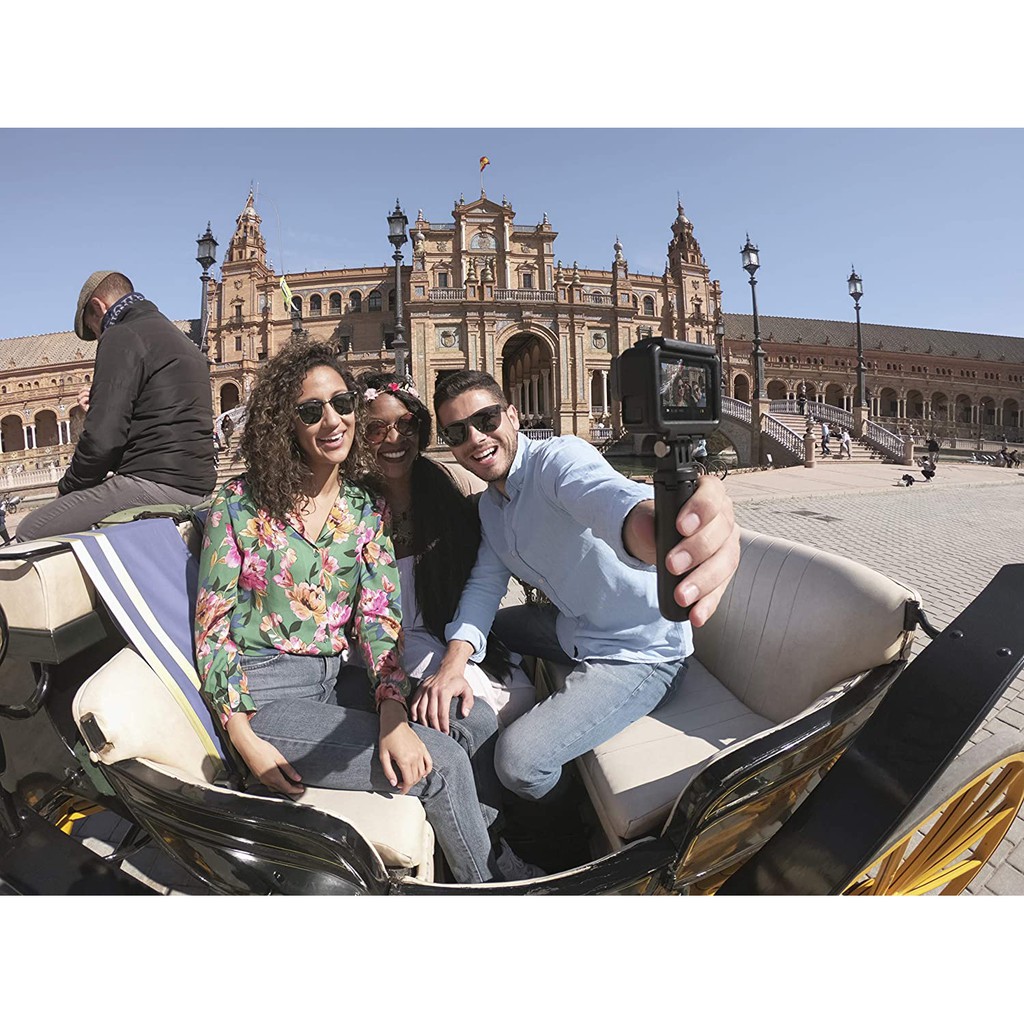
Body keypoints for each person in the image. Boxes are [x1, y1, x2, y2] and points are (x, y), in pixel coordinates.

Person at [193, 341, 525, 884]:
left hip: (338, 681)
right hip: (268, 697)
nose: (333, 421)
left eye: (342, 404)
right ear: (285, 424)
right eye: (310, 410)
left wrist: (392, 710)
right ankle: (490, 889)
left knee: (475, 720)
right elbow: (213, 631)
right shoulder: (238, 504)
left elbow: (377, 621)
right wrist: (245, 738)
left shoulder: (364, 508)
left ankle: (489, 851)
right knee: (439, 763)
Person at [413, 370, 740, 805]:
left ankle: (567, 815)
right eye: (457, 432)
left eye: (486, 419)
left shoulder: (557, 460)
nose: (475, 438)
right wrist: (452, 665)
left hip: (641, 652)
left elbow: (610, 499)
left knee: (518, 763)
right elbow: (484, 586)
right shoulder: (492, 507)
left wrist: (662, 532)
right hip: (575, 627)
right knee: (492, 632)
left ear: (512, 415)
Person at [357, 371, 536, 728]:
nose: (394, 438)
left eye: (406, 424)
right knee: (473, 707)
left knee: (519, 694)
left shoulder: (449, 490)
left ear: (421, 430)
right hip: (389, 646)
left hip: (447, 630)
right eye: (376, 429)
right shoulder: (352, 507)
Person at [17, 272, 216, 541]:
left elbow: (103, 441)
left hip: (155, 482)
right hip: (197, 485)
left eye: (94, 329)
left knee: (31, 530)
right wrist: (101, 406)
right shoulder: (179, 339)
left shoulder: (121, 335)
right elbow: (161, 418)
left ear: (98, 306)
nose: (99, 336)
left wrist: (67, 488)